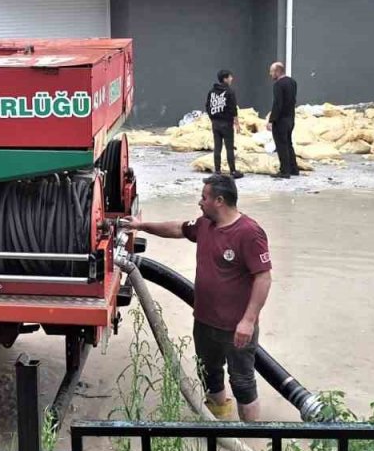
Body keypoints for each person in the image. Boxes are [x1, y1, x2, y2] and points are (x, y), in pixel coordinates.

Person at [125, 174, 273, 421]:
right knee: (209, 375)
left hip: (236, 327)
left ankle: (251, 438)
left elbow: (263, 278)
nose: (200, 202)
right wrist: (141, 226)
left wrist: (248, 321)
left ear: (219, 201)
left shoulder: (249, 232)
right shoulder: (205, 225)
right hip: (204, 322)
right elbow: (177, 228)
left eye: (204, 197)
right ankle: (219, 426)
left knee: (243, 382)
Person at [205, 69, 244, 179]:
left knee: (217, 147)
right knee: (229, 147)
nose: (232, 79)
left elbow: (208, 106)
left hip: (215, 123)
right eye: (230, 77)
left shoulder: (212, 91)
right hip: (226, 123)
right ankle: (233, 171)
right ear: (225, 79)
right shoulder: (229, 92)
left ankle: (217, 171)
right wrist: (237, 123)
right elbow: (233, 109)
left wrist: (212, 118)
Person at [266, 62, 298, 178]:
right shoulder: (292, 82)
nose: (270, 74)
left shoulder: (278, 85)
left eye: (271, 71)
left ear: (277, 71)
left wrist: (271, 120)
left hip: (281, 120)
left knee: (281, 146)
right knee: (289, 144)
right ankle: (294, 168)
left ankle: (284, 171)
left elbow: (277, 104)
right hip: (290, 118)